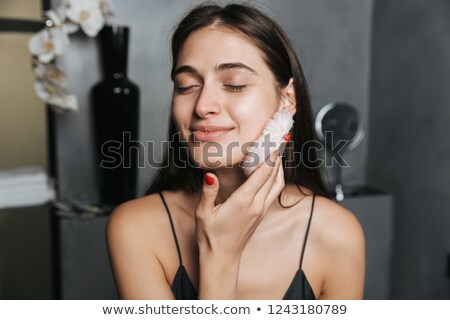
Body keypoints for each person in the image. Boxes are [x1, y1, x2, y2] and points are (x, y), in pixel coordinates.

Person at [106, 2, 365, 300]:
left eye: (235, 84)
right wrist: (221, 256)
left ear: (287, 100)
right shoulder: (135, 229)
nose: (203, 106)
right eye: (187, 85)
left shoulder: (337, 234)